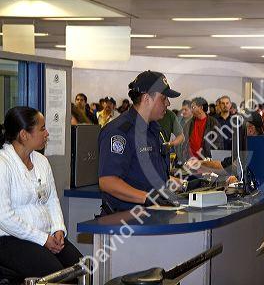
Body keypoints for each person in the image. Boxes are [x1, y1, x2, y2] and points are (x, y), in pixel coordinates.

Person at [0, 106, 82, 281]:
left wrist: (58, 229)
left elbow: (52, 199)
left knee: (81, 268)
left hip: (46, 235)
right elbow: (4, 217)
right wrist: (43, 239)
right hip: (10, 240)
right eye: (42, 128)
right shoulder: (3, 164)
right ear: (24, 134)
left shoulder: (42, 161)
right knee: (58, 277)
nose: (47, 133)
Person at [98, 70, 182, 212]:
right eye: (164, 98)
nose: (168, 103)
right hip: (127, 219)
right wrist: (147, 197)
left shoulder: (154, 129)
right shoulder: (119, 132)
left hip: (154, 214)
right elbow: (108, 181)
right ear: (147, 98)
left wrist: (180, 184)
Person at [186, 110, 263, 183]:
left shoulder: (250, 148)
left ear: (251, 129)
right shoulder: (260, 145)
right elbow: (227, 165)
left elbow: (226, 167)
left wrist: (200, 163)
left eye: (239, 128)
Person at [180, 97, 223, 161]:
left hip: (206, 161)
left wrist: (212, 159)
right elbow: (184, 142)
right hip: (190, 161)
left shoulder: (213, 122)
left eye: (193, 107)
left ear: (201, 108)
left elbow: (219, 143)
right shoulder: (189, 123)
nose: (191, 110)